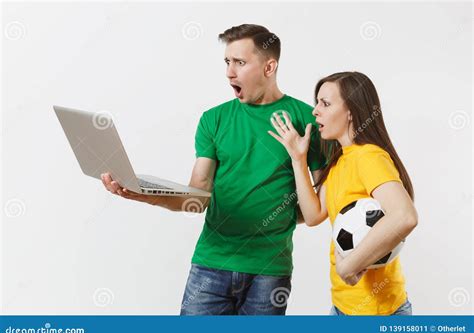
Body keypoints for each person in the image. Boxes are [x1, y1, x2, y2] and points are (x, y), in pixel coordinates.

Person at [100, 24, 325, 315]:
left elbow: (319, 201)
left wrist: (279, 216)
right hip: (211, 265)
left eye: (240, 63)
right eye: (227, 62)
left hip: (270, 271)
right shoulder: (214, 120)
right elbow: (197, 198)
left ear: (270, 67)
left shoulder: (307, 119)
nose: (230, 73)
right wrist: (141, 193)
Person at [268, 71, 418, 315]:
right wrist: (298, 158)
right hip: (342, 307)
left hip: (378, 312)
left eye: (325, 103)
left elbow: (404, 216)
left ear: (351, 112)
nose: (315, 111)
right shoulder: (339, 161)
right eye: (317, 102)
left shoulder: (369, 157)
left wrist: (348, 266)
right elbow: (314, 214)